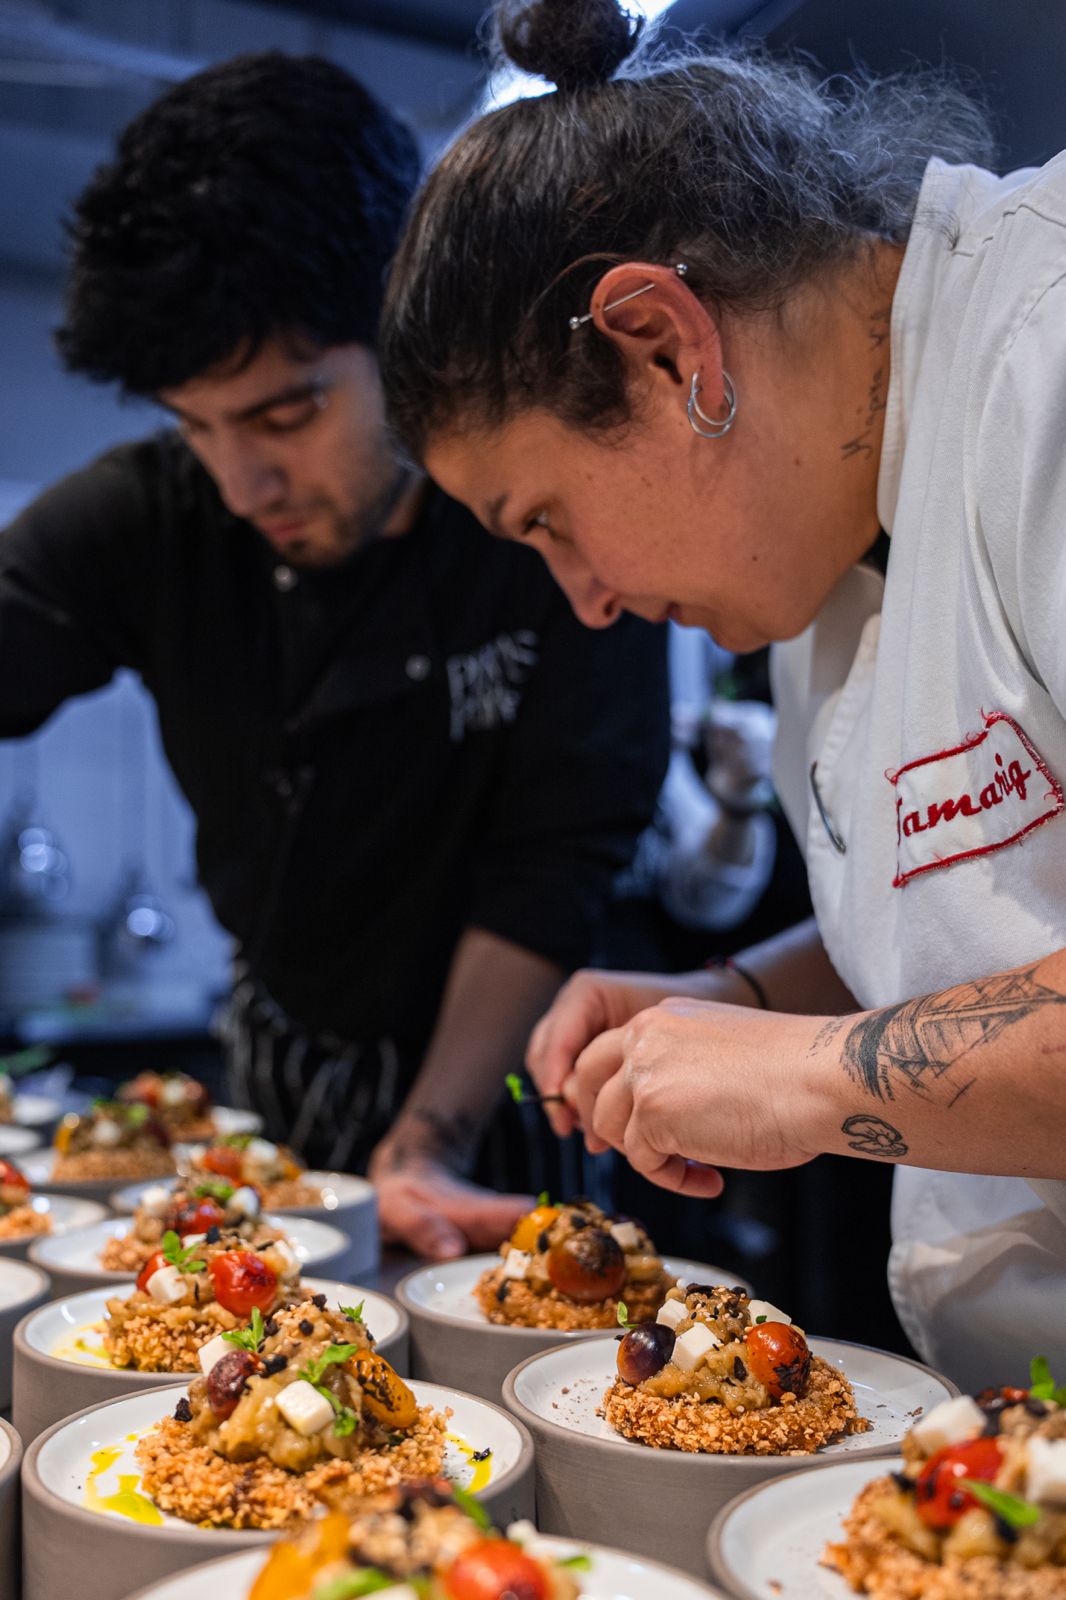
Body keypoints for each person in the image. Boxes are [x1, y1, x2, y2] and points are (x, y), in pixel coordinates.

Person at [378, 0, 1066, 1383]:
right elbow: (984, 914)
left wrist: (814, 1077)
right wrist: (744, 996)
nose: (581, 598)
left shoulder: (1038, 356)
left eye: (546, 522)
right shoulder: (820, 528)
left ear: (667, 347)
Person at [0, 50, 669, 1259]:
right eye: (195, 427)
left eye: (286, 413)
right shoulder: (150, 519)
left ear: (398, 325)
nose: (243, 481)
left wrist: (424, 1143)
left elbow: (552, 862)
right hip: (282, 1063)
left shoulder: (540, 519)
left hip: (514, 1078)